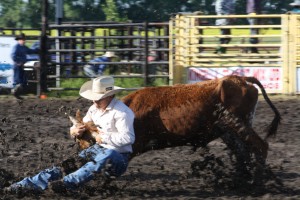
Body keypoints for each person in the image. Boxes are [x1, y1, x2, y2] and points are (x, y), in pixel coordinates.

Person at [4, 76, 135, 193]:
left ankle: (66, 183)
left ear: (110, 96)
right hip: (97, 151)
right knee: (64, 167)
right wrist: (75, 130)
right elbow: (82, 124)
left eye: (98, 99)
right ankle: (22, 186)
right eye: (93, 99)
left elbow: (128, 138)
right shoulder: (94, 109)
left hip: (118, 157)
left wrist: (104, 137)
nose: (94, 102)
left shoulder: (122, 113)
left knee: (107, 155)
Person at [10, 33, 39, 99]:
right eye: (22, 39)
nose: (23, 41)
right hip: (18, 65)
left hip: (21, 65)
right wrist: (18, 61)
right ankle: (14, 92)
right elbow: (13, 56)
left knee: (22, 80)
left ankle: (16, 94)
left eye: (24, 39)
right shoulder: (16, 47)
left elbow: (30, 51)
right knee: (18, 80)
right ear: (19, 40)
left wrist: (37, 50)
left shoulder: (23, 47)